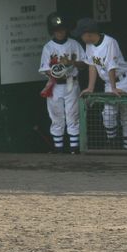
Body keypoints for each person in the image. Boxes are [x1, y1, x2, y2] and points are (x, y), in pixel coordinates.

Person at [75, 18, 127, 150]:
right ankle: (113, 145)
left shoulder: (110, 42)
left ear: (88, 33)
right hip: (110, 82)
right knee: (108, 114)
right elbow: (92, 65)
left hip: (125, 81)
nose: (81, 37)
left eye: (82, 34)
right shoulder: (89, 45)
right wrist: (90, 87)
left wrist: (114, 88)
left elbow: (111, 66)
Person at [38, 12, 86, 154]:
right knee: (56, 116)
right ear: (52, 31)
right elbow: (44, 69)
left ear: (66, 29)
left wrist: (70, 63)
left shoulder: (74, 44)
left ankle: (74, 150)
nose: (59, 32)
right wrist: (56, 72)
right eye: (56, 30)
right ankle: (58, 150)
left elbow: (84, 64)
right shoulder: (48, 47)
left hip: (71, 82)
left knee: (73, 115)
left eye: (62, 29)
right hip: (55, 85)